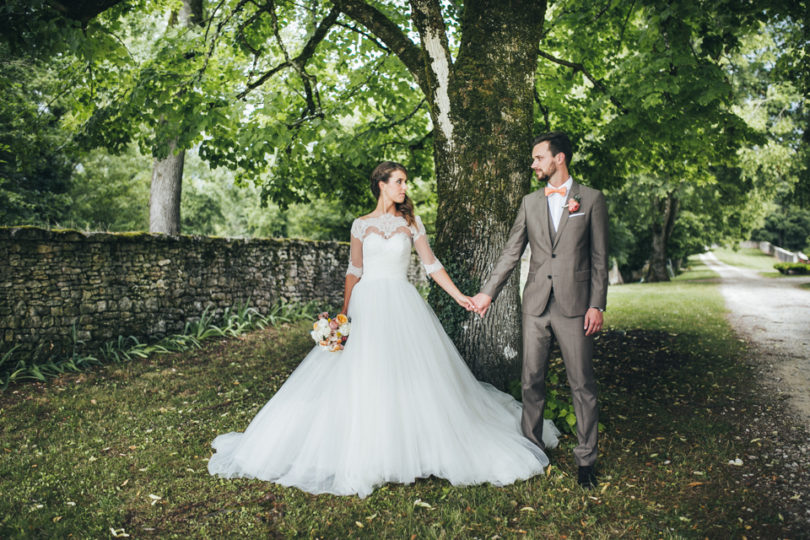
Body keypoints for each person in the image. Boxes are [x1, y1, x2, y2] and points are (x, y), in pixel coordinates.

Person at [208, 161, 559, 498]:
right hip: (367, 303)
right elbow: (353, 271)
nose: (405, 188)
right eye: (399, 182)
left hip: (403, 304)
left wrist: (460, 297)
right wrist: (343, 315)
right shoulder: (360, 224)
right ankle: (367, 445)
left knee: (410, 373)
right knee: (365, 372)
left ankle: (414, 445)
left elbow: (432, 265)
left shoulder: (412, 224)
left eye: (406, 182)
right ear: (382, 184)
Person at [471, 132, 608, 489]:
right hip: (534, 305)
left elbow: (598, 259)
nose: (533, 164)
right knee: (531, 380)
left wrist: (596, 304)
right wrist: (487, 294)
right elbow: (511, 253)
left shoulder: (591, 200)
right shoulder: (530, 202)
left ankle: (586, 461)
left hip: (577, 306)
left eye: (538, 158)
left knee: (582, 384)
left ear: (558, 158)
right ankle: (531, 453)